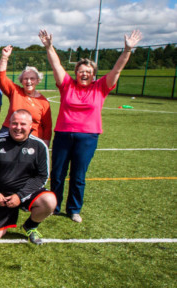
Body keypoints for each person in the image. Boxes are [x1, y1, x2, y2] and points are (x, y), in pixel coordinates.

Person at [39, 29, 142, 223]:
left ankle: (74, 209)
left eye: (88, 72)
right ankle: (54, 206)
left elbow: (117, 70)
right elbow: (56, 64)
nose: (84, 74)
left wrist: (127, 50)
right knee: (58, 173)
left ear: (93, 74)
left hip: (88, 137)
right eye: (81, 71)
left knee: (79, 174)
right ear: (76, 72)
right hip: (63, 134)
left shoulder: (101, 87)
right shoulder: (67, 85)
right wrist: (49, 46)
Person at [0, 109, 56, 245]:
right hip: (0, 196)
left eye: (23, 124)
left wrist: (20, 195)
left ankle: (31, 226)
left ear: (30, 126)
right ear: (9, 124)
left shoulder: (39, 146)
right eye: (14, 124)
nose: (18, 128)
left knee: (49, 200)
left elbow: (42, 176)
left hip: (25, 194)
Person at [0, 45, 52, 147]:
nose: (29, 81)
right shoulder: (15, 91)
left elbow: (47, 127)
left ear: (38, 81)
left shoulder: (44, 102)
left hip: (32, 139)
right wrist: (4, 57)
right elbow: (1, 77)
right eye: (25, 79)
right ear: (21, 81)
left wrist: (45, 144)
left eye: (32, 78)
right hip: (9, 134)